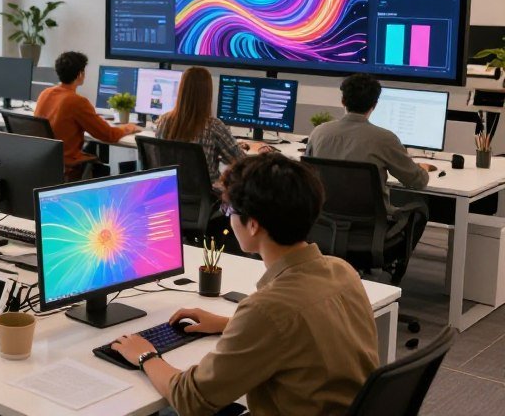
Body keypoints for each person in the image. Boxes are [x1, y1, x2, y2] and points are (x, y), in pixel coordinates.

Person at [111, 153, 379, 415]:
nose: (227, 217)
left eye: (229, 209)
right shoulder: (342, 271)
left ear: (252, 225)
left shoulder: (269, 309)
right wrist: (228, 324)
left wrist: (146, 356)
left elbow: (191, 399)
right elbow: (304, 331)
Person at [305, 73, 432, 252]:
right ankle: (396, 271)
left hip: (324, 227)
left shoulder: (319, 133)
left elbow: (307, 175)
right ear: (375, 104)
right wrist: (421, 167)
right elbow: (418, 182)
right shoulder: (385, 139)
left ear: (343, 101)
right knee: (420, 205)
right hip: (369, 232)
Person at [33, 51, 140, 180]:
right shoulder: (76, 101)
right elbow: (108, 135)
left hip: (45, 165)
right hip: (68, 167)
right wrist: (128, 128)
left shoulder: (45, 93)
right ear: (80, 74)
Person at [155, 66, 270, 185]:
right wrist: (257, 152)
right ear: (207, 94)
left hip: (170, 194)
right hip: (206, 197)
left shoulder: (164, 121)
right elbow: (242, 163)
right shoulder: (213, 126)